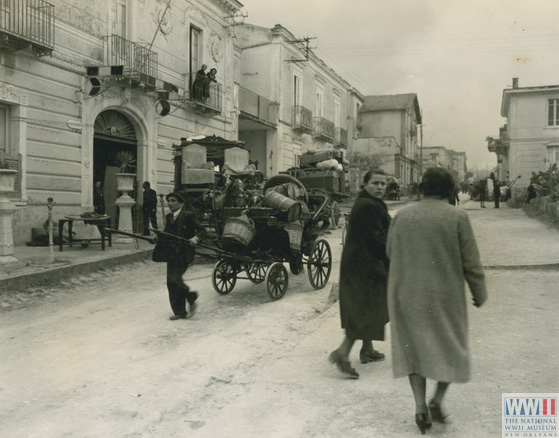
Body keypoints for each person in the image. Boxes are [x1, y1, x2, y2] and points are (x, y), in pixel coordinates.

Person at [386, 167, 487, 434]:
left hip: (406, 295)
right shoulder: (457, 217)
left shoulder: (402, 215)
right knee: (450, 347)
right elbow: (471, 262)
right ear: (451, 191)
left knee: (413, 350)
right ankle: (437, 400)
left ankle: (419, 407)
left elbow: (389, 250)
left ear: (422, 188)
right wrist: (479, 292)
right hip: (445, 297)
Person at [328, 168, 390, 379]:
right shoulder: (367, 206)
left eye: (383, 183)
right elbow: (378, 239)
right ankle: (342, 353)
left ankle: (368, 349)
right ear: (365, 185)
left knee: (368, 305)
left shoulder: (369, 203)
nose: (380, 187)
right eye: (375, 183)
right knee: (366, 308)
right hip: (364, 266)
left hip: (363, 263)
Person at [158, 192, 207, 320]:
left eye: (173, 201)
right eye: (168, 201)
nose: (170, 203)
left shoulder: (188, 216)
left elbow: (202, 230)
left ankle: (191, 297)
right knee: (171, 282)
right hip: (172, 253)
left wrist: (196, 238)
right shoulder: (169, 217)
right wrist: (157, 237)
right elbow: (167, 233)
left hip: (184, 253)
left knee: (174, 280)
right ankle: (180, 312)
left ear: (181, 203)